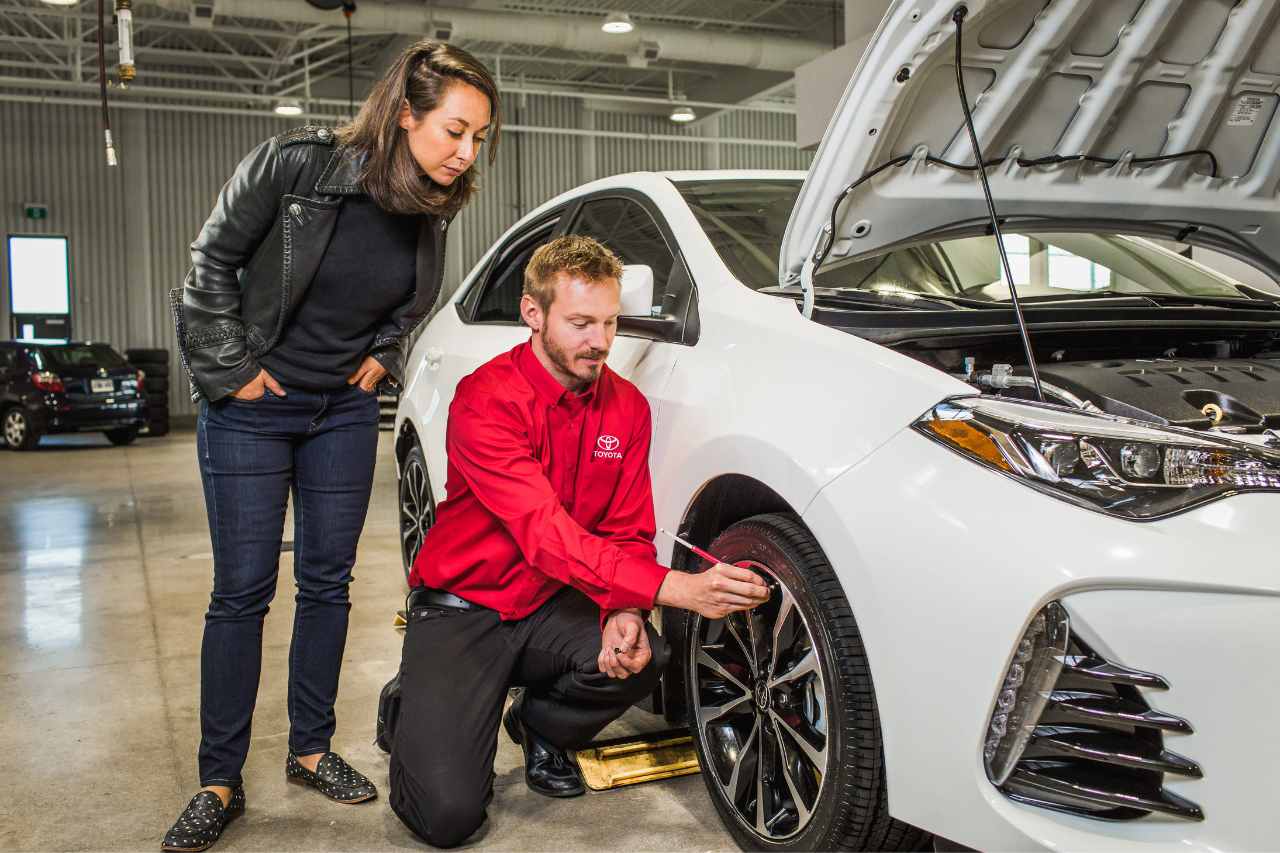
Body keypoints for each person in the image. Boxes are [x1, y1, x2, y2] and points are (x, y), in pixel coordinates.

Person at [162, 41, 501, 853]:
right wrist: (232, 372)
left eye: (481, 137)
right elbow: (209, 264)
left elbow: (411, 300)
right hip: (253, 409)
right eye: (455, 129)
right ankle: (219, 778)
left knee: (328, 582)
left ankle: (310, 749)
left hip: (342, 413)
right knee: (242, 589)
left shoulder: (431, 202)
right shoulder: (292, 167)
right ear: (406, 113)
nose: (466, 150)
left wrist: (382, 356)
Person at [388, 235, 771, 848]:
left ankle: (541, 726)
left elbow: (627, 530)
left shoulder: (627, 410)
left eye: (610, 322)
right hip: (467, 607)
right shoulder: (486, 400)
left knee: (644, 653)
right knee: (448, 818)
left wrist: (626, 607)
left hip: (551, 605)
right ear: (533, 314)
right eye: (580, 322)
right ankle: (416, 699)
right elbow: (544, 534)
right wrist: (675, 588)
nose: (599, 341)